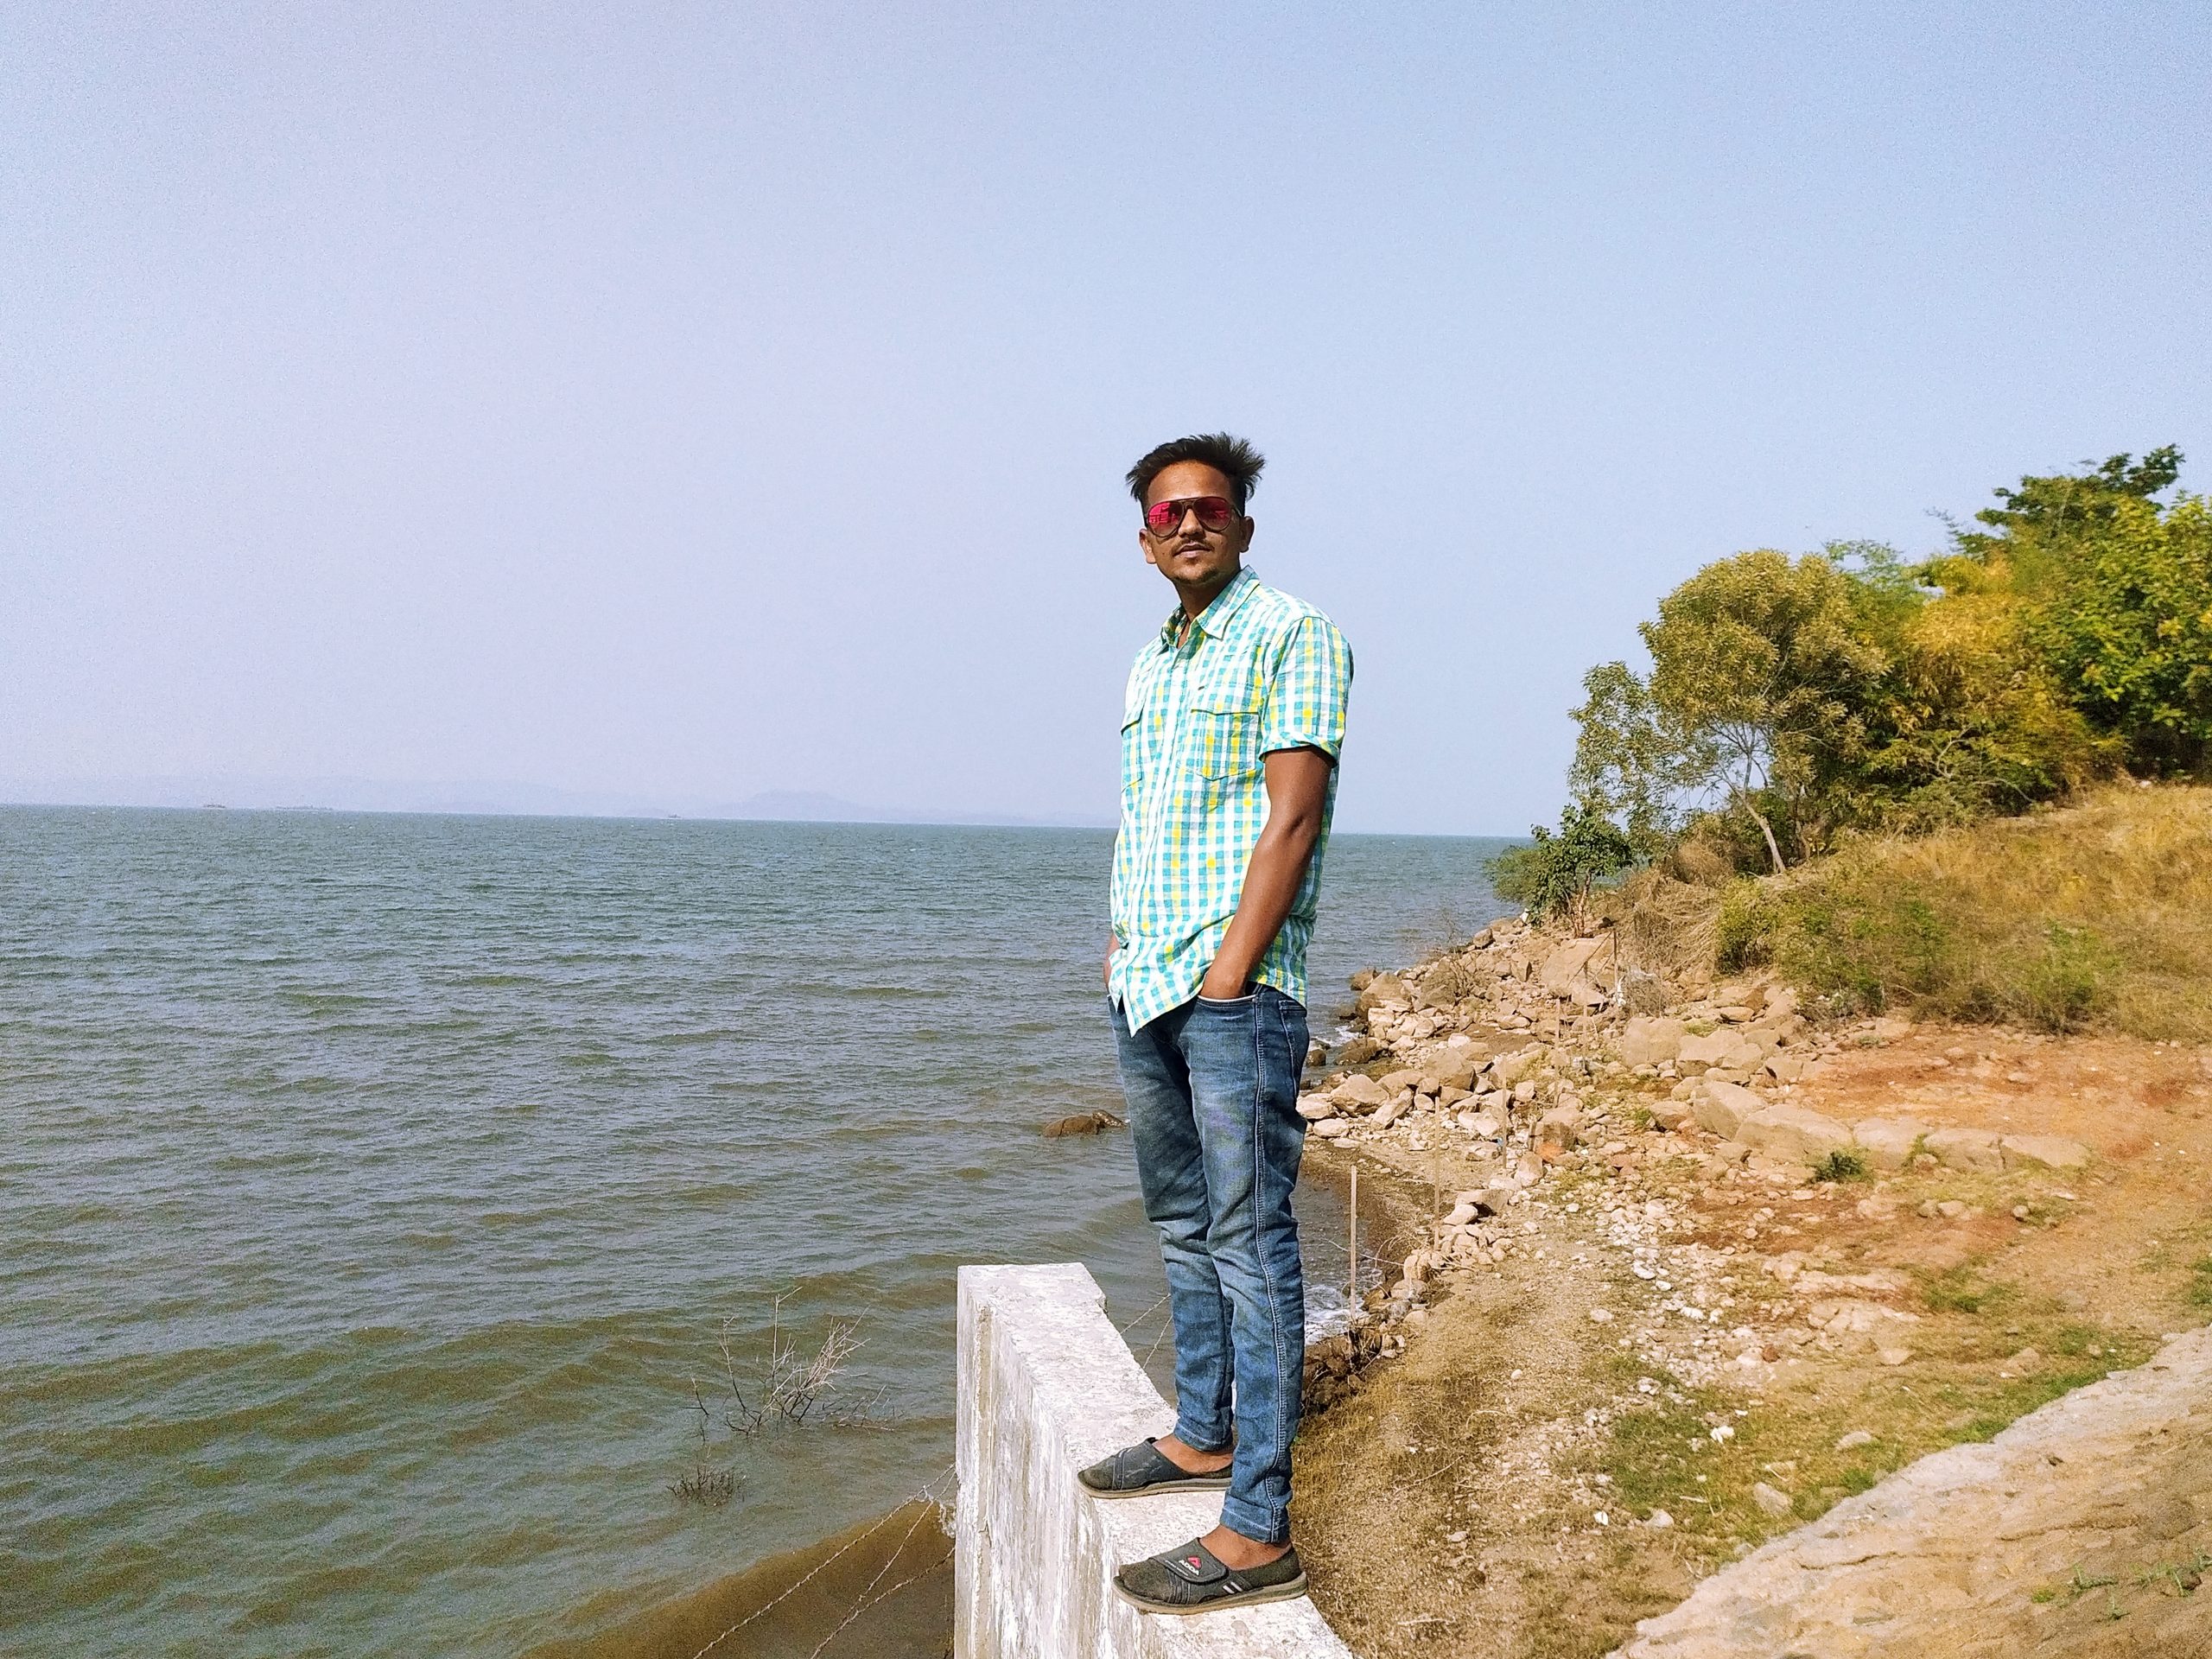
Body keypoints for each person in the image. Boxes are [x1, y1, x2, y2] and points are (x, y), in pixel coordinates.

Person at [1079, 432, 1353, 1614]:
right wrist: (1120, 946)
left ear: (1241, 524)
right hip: (1147, 982)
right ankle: (1200, 1432)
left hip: (1233, 991)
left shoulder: (1292, 632)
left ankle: (1256, 1527)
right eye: (1166, 513)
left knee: (1251, 1243)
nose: (1186, 524)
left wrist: (1233, 976)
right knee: (1184, 1225)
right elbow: (1157, 820)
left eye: (1207, 507)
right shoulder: (1152, 662)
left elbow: (1291, 819)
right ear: (1145, 540)